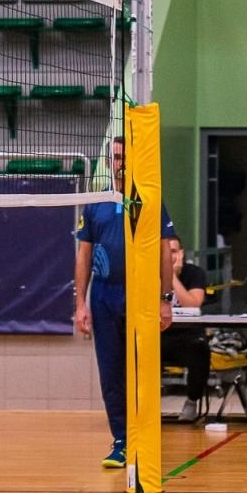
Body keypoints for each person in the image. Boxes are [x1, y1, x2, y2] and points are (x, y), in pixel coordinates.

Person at [73, 135, 178, 467]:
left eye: (126, 157)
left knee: (141, 370)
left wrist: (164, 299)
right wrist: (80, 303)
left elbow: (165, 252)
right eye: (116, 157)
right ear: (108, 162)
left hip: (141, 295)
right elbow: (84, 254)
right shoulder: (95, 202)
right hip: (104, 294)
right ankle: (120, 441)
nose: (120, 162)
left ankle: (144, 440)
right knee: (110, 372)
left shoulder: (149, 199)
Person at [162, 238, 213, 424]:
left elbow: (193, 304)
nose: (169, 257)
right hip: (160, 334)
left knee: (201, 351)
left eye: (173, 251)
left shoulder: (195, 273)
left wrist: (172, 277)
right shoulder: (149, 273)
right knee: (134, 349)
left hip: (188, 337)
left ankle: (192, 402)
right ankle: (143, 407)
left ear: (182, 253)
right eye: (164, 253)